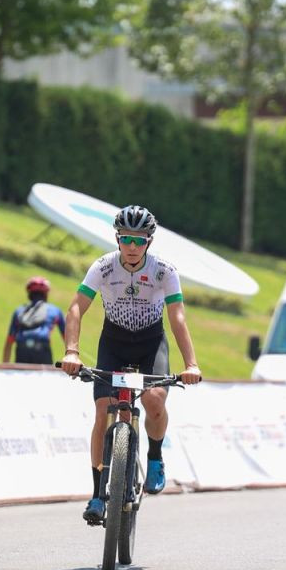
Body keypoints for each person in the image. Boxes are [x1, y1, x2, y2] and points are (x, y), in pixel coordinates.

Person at [60, 205, 202, 524]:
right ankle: (97, 494)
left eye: (139, 241)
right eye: (126, 239)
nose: (132, 247)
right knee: (102, 411)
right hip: (114, 342)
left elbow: (177, 317)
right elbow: (75, 309)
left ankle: (154, 456)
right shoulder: (103, 266)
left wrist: (191, 363)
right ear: (117, 238)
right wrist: (72, 351)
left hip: (151, 343)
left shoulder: (164, 271)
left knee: (154, 401)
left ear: (149, 242)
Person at [1, 276, 66, 365]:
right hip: (42, 350)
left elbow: (9, 341)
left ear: (29, 293)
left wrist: (5, 366)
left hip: (21, 350)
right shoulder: (54, 310)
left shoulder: (19, 311)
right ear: (46, 294)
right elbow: (66, 337)